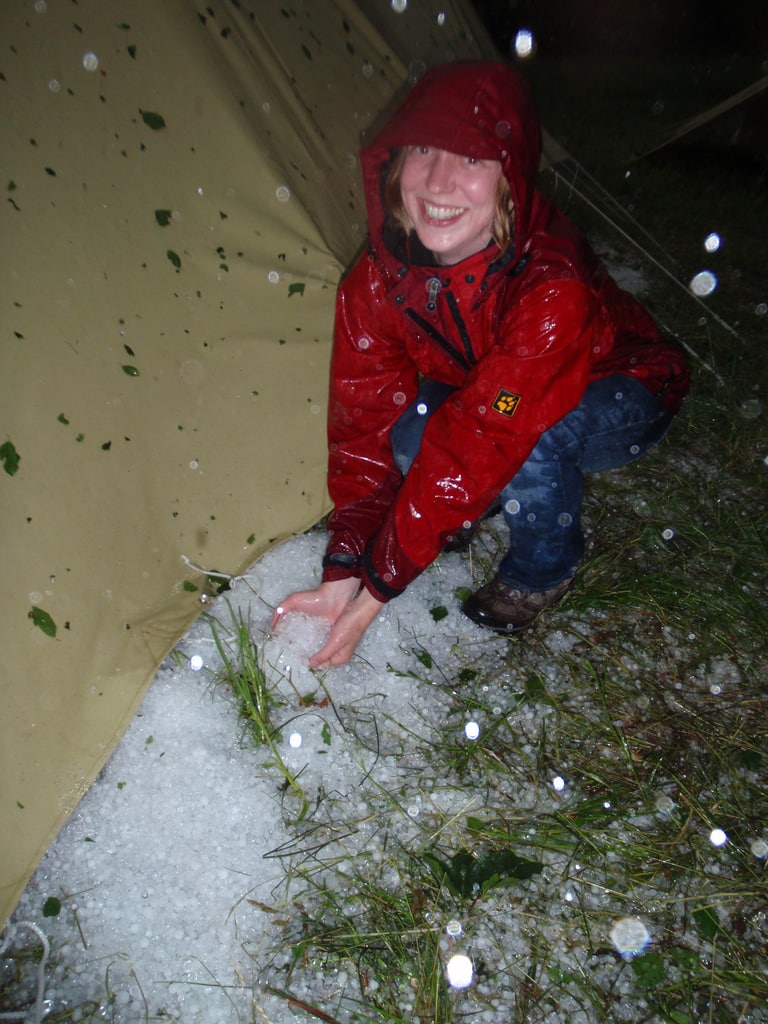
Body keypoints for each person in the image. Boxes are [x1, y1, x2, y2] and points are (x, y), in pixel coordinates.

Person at [271, 60, 689, 668]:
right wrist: (345, 568)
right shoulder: (379, 278)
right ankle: (467, 505)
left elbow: (489, 432)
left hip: (624, 384)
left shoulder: (553, 290)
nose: (438, 182)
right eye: (424, 149)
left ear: (509, 177)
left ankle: (544, 569)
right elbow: (364, 427)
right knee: (413, 433)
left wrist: (376, 592)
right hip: (497, 389)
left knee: (529, 440)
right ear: (396, 161)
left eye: (471, 158)